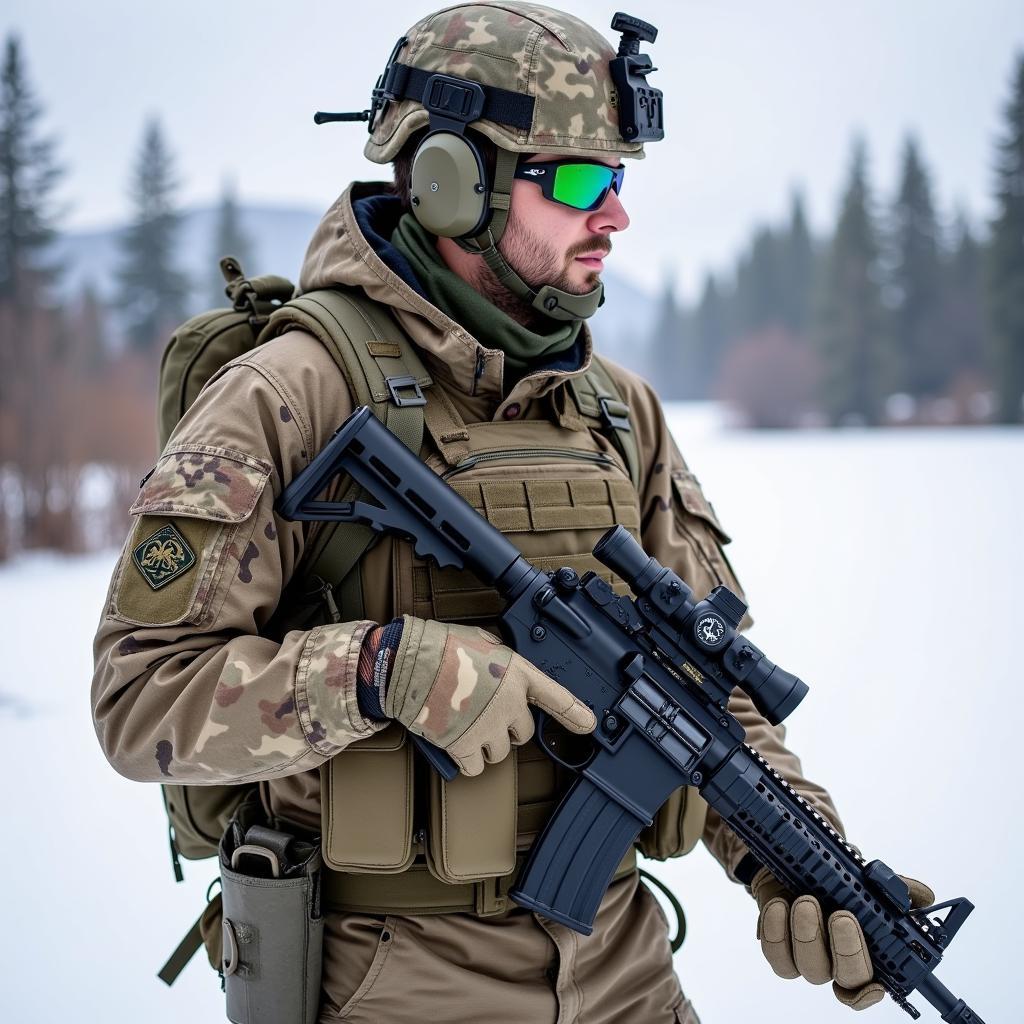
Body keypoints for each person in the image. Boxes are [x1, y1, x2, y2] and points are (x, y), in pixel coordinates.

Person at [90, 4, 929, 1021]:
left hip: (623, 974)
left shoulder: (618, 410)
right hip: (387, 981)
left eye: (619, 181)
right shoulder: (288, 394)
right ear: (452, 181)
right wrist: (377, 670)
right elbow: (140, 701)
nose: (613, 215)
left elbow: (709, 701)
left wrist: (803, 866)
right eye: (578, 179)